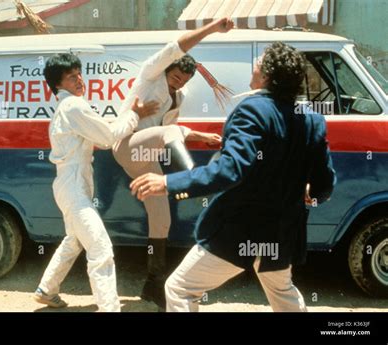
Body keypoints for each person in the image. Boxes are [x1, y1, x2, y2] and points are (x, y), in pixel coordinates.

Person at [130, 42, 337, 312]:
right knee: (282, 291)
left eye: (259, 62)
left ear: (266, 75)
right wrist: (311, 191)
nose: (254, 66)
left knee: (180, 289)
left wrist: (169, 183)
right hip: (283, 231)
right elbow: (325, 182)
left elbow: (231, 170)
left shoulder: (253, 110)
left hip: (241, 229)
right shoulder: (311, 119)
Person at [112, 17, 234, 308]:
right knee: (169, 136)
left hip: (148, 157)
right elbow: (177, 46)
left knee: (162, 220)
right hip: (127, 146)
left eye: (183, 79)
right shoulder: (150, 75)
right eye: (176, 74)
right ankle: (195, 179)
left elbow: (172, 131)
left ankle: (153, 284)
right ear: (168, 67)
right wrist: (213, 27)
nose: (178, 80)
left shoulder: (177, 97)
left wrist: (203, 136)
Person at [34, 53, 157, 311]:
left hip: (72, 183)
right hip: (73, 185)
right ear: (58, 84)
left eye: (79, 74)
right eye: (71, 77)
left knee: (75, 239)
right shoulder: (73, 107)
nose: (79, 80)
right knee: (100, 247)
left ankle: (47, 289)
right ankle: (109, 308)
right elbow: (108, 136)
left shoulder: (69, 106)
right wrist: (134, 115)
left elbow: (101, 131)